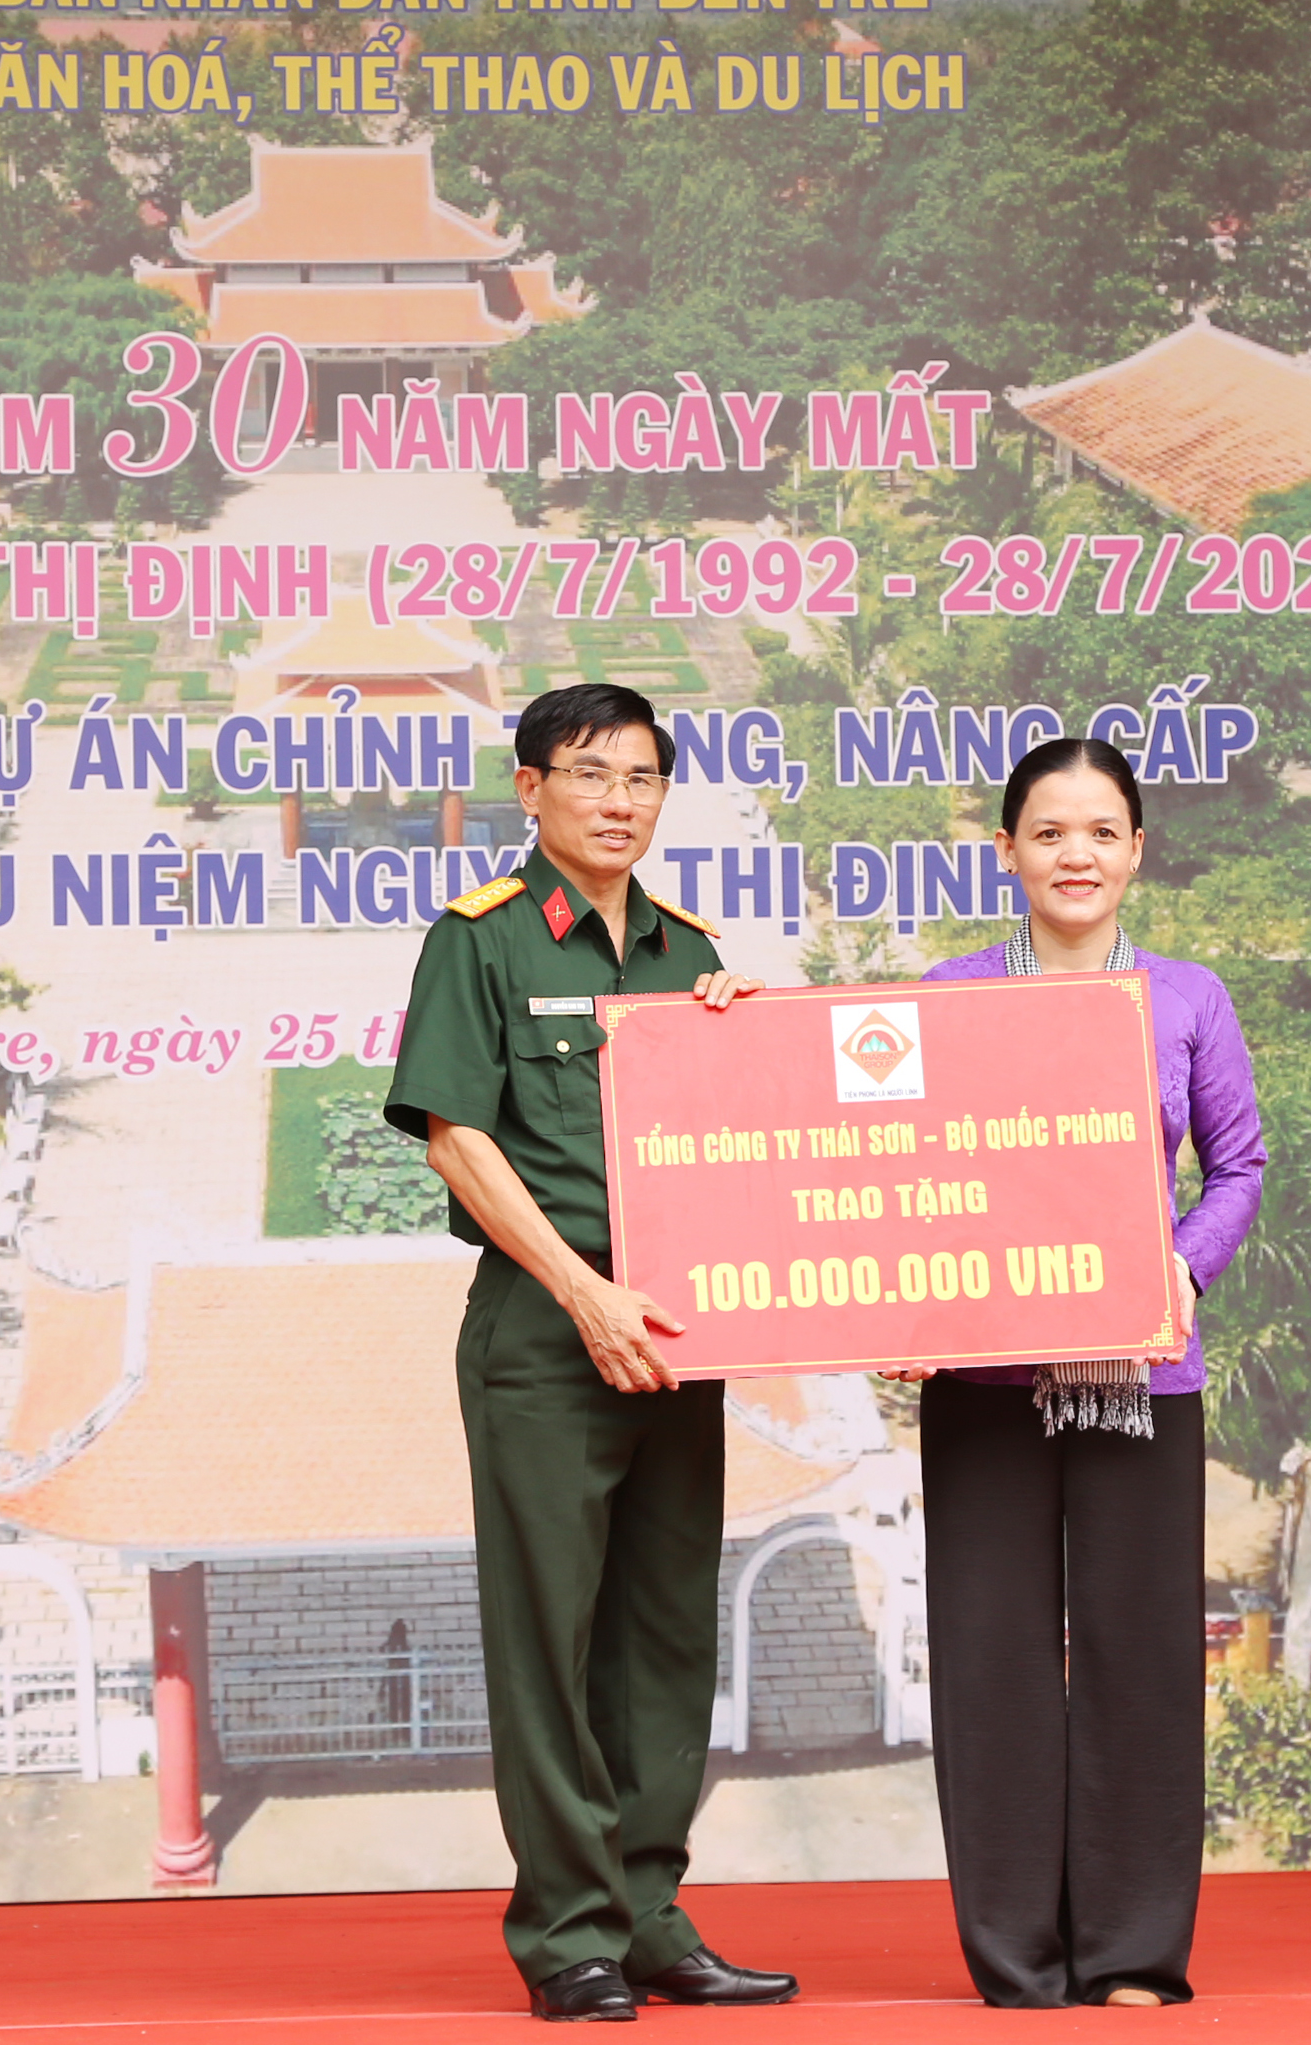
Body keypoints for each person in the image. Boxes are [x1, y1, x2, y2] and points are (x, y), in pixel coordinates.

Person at [382, 682, 795, 2024]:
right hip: (546, 1335)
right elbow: (455, 1139)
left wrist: (754, 1035)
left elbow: (747, 1142)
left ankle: (651, 1916)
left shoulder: (692, 952)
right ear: (530, 789)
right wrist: (583, 1294)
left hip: (678, 1333)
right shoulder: (482, 940)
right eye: (589, 773)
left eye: (642, 778)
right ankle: (569, 1934)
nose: (619, 802)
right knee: (549, 1641)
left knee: (665, 1633)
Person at [899, 737, 1266, 2010]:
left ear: (1137, 853)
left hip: (1141, 1377)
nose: (1077, 855)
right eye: (1050, 832)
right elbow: (896, 1169)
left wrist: (1185, 1272)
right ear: (1006, 850)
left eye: (1102, 832)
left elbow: (1239, 1166)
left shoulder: (1187, 997)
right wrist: (897, 1296)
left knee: (1140, 1661)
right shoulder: (946, 996)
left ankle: (1129, 1952)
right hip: (984, 1385)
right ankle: (1016, 1956)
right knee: (993, 1661)